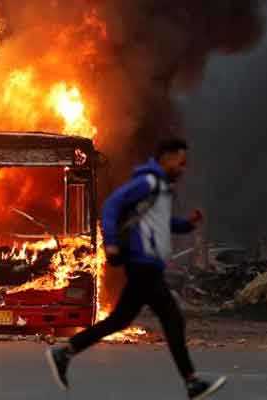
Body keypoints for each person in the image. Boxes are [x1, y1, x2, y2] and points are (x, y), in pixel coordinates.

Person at [45, 138, 226, 400]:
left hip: (147, 266)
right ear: (166, 157)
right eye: (180, 162)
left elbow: (162, 223)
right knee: (172, 319)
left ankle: (65, 352)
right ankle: (192, 382)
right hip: (142, 265)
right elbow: (111, 206)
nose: (183, 168)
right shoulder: (148, 182)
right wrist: (111, 242)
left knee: (120, 320)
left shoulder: (160, 188)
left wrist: (188, 224)